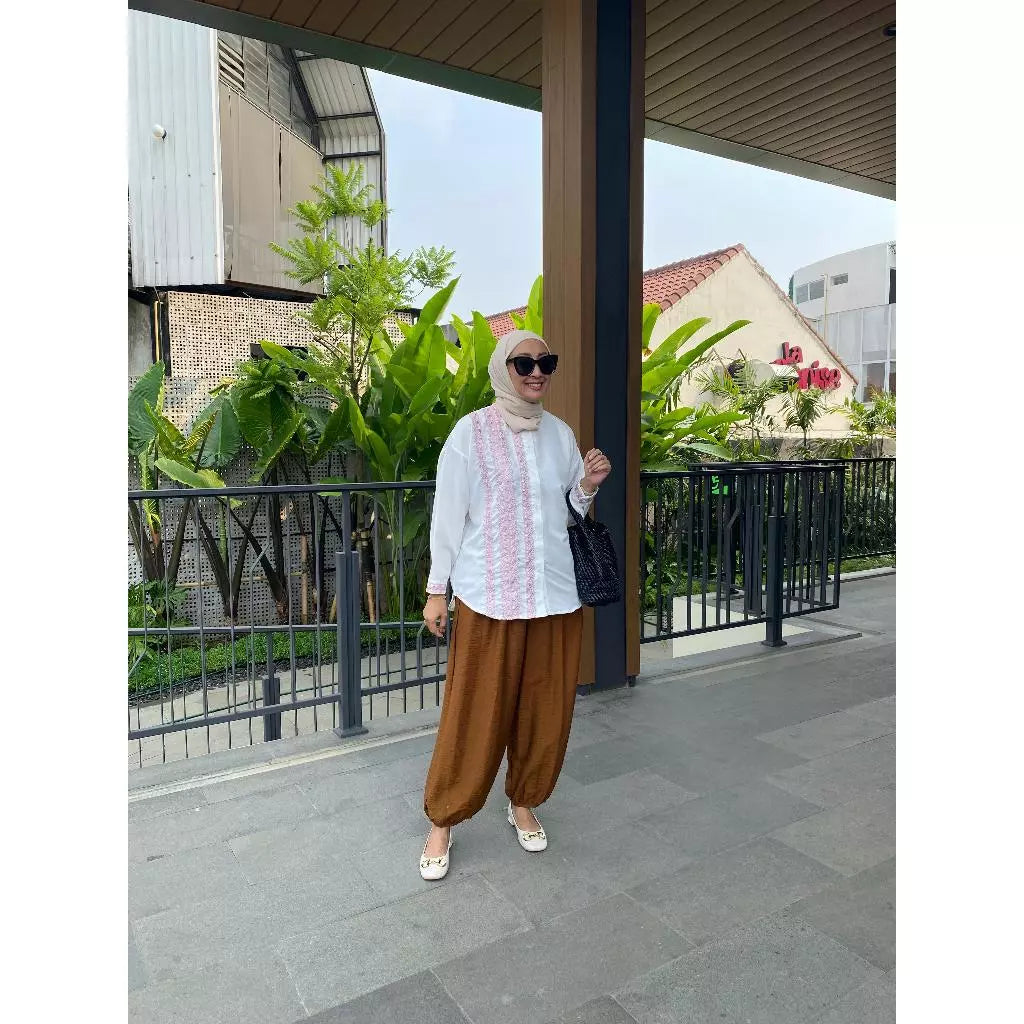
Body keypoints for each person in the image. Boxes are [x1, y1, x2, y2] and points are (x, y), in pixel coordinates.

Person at [418, 329, 612, 880]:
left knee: (544, 710)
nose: (537, 372)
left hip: (554, 595)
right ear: (504, 369)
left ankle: (524, 800)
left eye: (546, 362)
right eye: (524, 363)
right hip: (490, 597)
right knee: (473, 712)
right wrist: (437, 589)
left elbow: (569, 510)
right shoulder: (470, 433)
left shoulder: (560, 435)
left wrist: (589, 485)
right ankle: (443, 819)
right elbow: (448, 515)